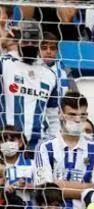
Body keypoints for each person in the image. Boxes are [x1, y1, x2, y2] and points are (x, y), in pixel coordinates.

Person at [34, 93, 94, 209]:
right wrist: (86, 188)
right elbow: (45, 189)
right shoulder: (45, 147)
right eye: (72, 114)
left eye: (82, 115)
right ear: (60, 113)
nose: (77, 120)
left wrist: (59, 185)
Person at [0, 21, 62, 151]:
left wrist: (52, 145)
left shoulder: (50, 75)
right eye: (25, 42)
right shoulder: (4, 63)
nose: (29, 45)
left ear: (39, 43)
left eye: (34, 42)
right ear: (18, 41)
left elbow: (53, 116)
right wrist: (2, 43)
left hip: (35, 147)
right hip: (6, 142)